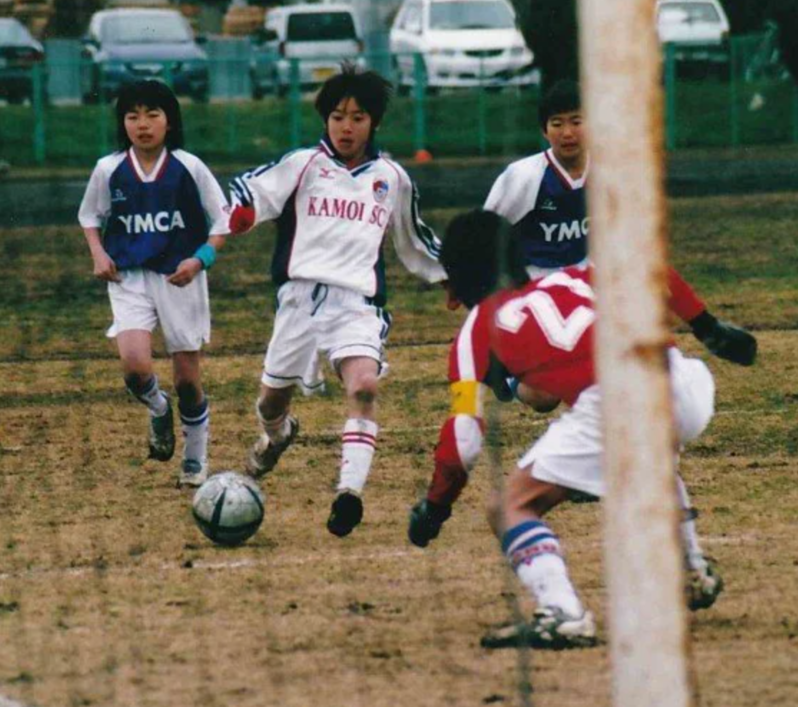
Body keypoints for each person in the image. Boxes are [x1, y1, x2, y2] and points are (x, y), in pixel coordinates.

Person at [408, 210, 723, 649]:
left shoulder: (477, 328)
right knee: (647, 455)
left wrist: (435, 506)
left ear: (459, 276)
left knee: (509, 507)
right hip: (682, 380)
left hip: (617, 403)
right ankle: (691, 568)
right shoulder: (572, 278)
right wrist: (709, 326)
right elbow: (647, 266)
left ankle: (562, 612)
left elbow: (463, 441)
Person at [227, 64, 446, 537]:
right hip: (298, 302)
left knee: (364, 386)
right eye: (338, 116)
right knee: (270, 403)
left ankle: (348, 494)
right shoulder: (303, 164)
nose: (347, 127)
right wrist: (238, 215)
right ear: (326, 120)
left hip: (358, 304)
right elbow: (249, 190)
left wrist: (455, 276)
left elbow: (416, 243)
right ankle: (279, 434)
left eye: (358, 117)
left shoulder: (392, 178)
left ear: (375, 123)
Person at [483, 79, 757, 367]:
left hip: (585, 277)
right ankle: (506, 362)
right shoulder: (524, 176)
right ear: (544, 130)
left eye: (577, 121)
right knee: (542, 397)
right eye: (557, 123)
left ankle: (708, 330)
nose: (567, 133)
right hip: (537, 285)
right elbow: (481, 235)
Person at [77, 80, 230, 489]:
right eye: (132, 116)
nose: (142, 124)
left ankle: (195, 457)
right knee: (135, 366)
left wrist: (200, 260)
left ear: (169, 121)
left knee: (187, 381)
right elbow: (90, 216)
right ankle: (159, 409)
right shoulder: (109, 169)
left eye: (152, 115)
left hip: (180, 279)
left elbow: (222, 223)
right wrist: (98, 253)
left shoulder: (189, 167)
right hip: (129, 276)